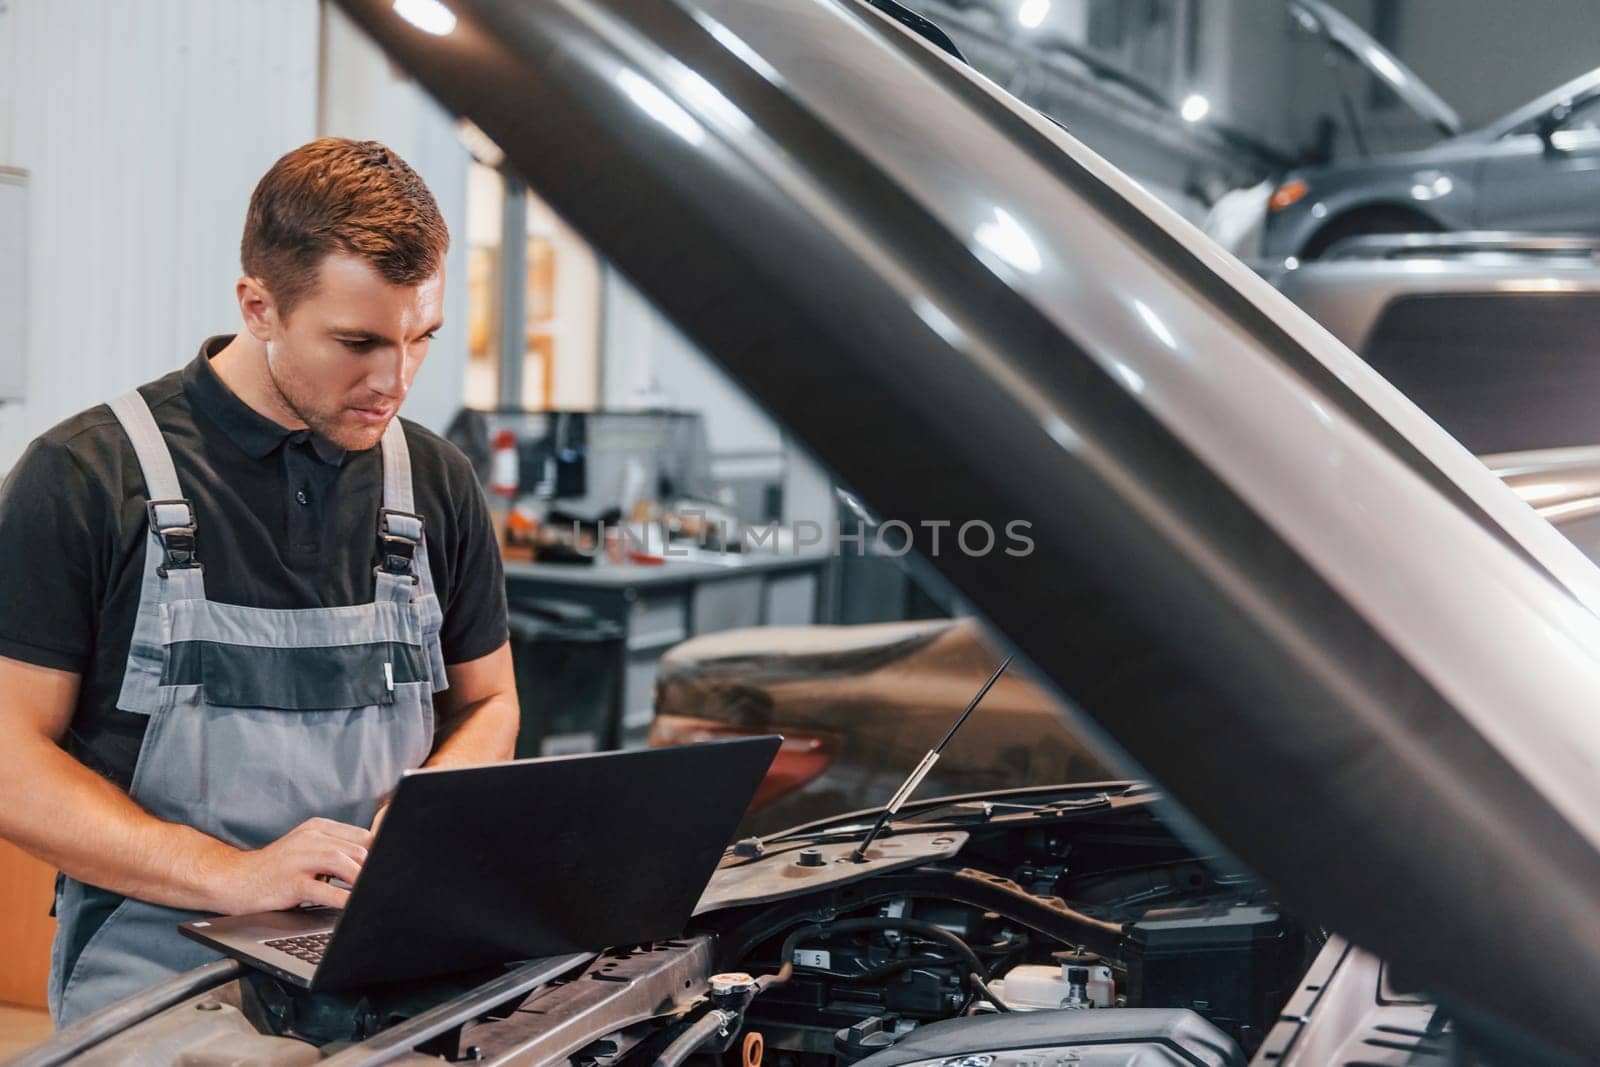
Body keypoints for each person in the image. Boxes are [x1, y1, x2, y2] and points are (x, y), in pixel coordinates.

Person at [0, 138, 518, 1026]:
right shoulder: (85, 476)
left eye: (419, 338)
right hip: (163, 966)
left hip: (386, 953)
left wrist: (423, 825)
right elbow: (8, 761)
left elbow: (491, 703)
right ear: (259, 306)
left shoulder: (434, 483)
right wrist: (235, 873)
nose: (393, 380)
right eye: (356, 341)